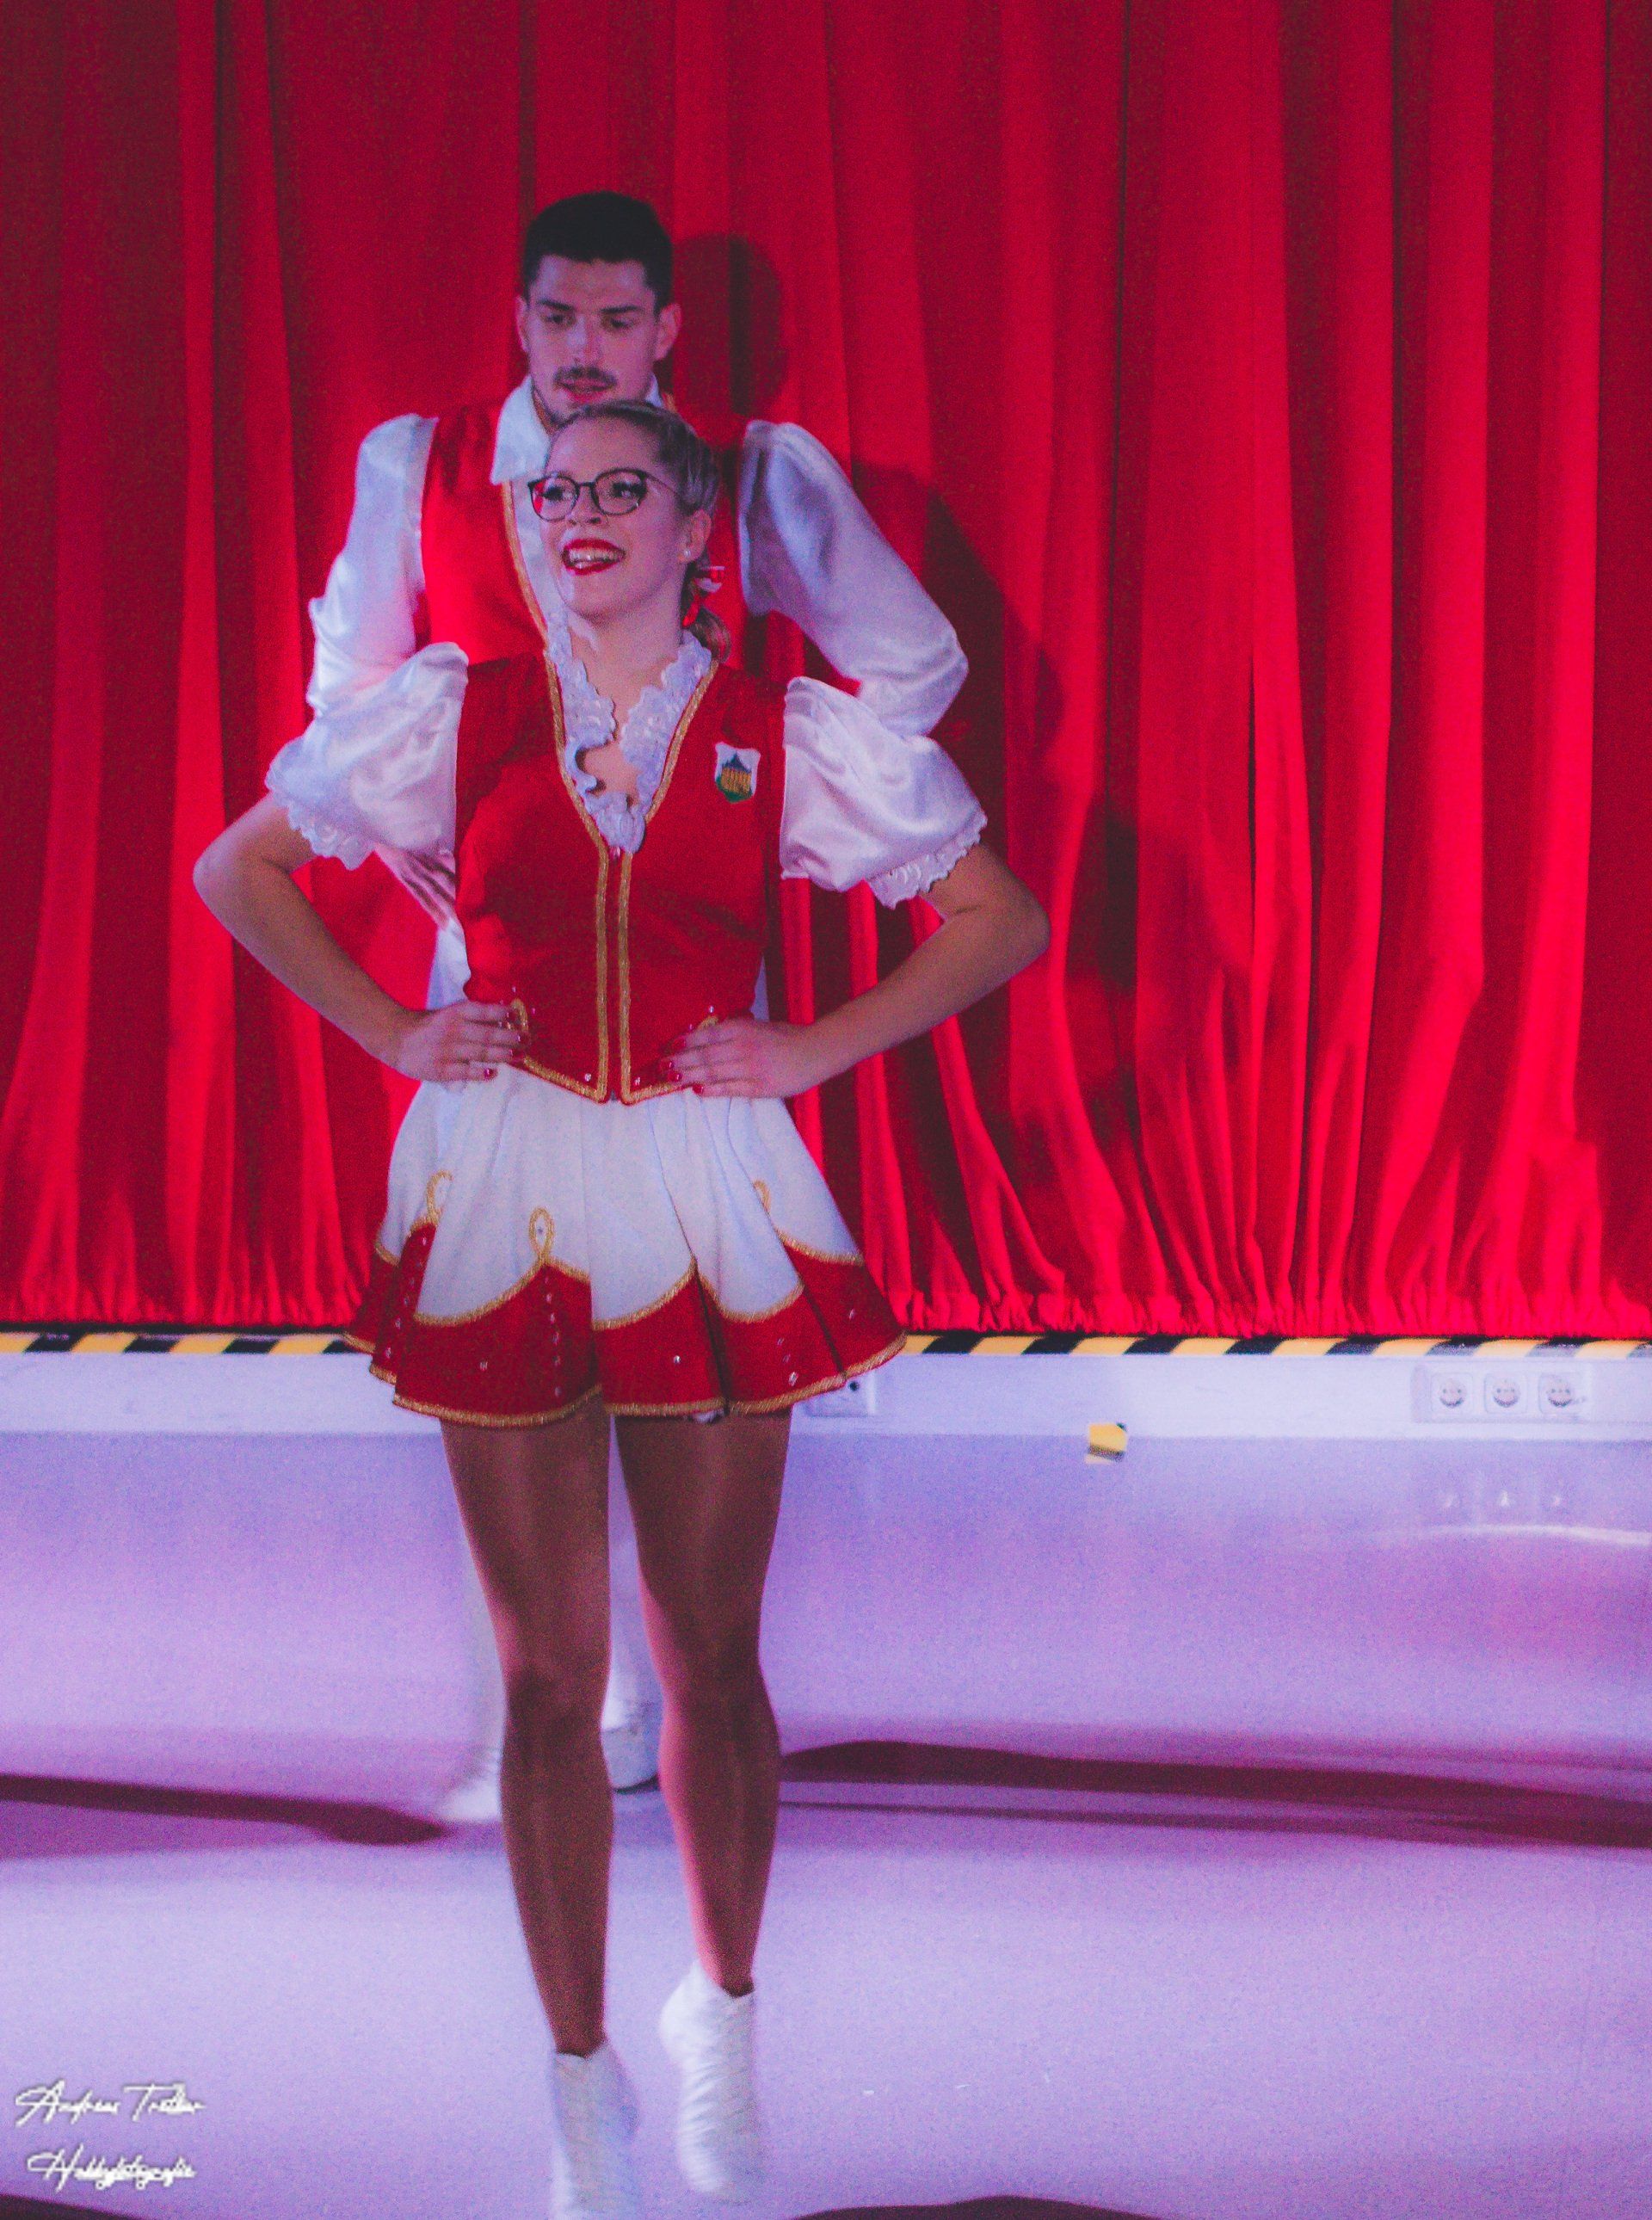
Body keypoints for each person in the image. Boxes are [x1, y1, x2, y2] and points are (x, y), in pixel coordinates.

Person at [194, 399, 1046, 2217]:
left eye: (622, 488)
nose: (582, 513)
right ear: (524, 528)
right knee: (544, 1680)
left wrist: (812, 1046)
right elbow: (236, 868)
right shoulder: (454, 712)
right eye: (557, 490)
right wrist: (395, 1029)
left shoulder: (781, 729)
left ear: (694, 526)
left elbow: (995, 917)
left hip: (704, 1194)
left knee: (712, 1655)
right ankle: (578, 2078)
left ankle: (720, 2014)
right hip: (504, 1182)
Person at [312, 189, 970, 1802]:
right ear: (519, 320)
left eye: (617, 321)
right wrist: (425, 847)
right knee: (511, 1328)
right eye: (557, 319)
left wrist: (757, 797)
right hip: (496, 976)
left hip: (675, 972)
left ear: (667, 330)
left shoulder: (750, 476)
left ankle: (669, 1695)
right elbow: (344, 696)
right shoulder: (420, 468)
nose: (584, 349)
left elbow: (915, 662)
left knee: (672, 1324)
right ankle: (560, 1696)